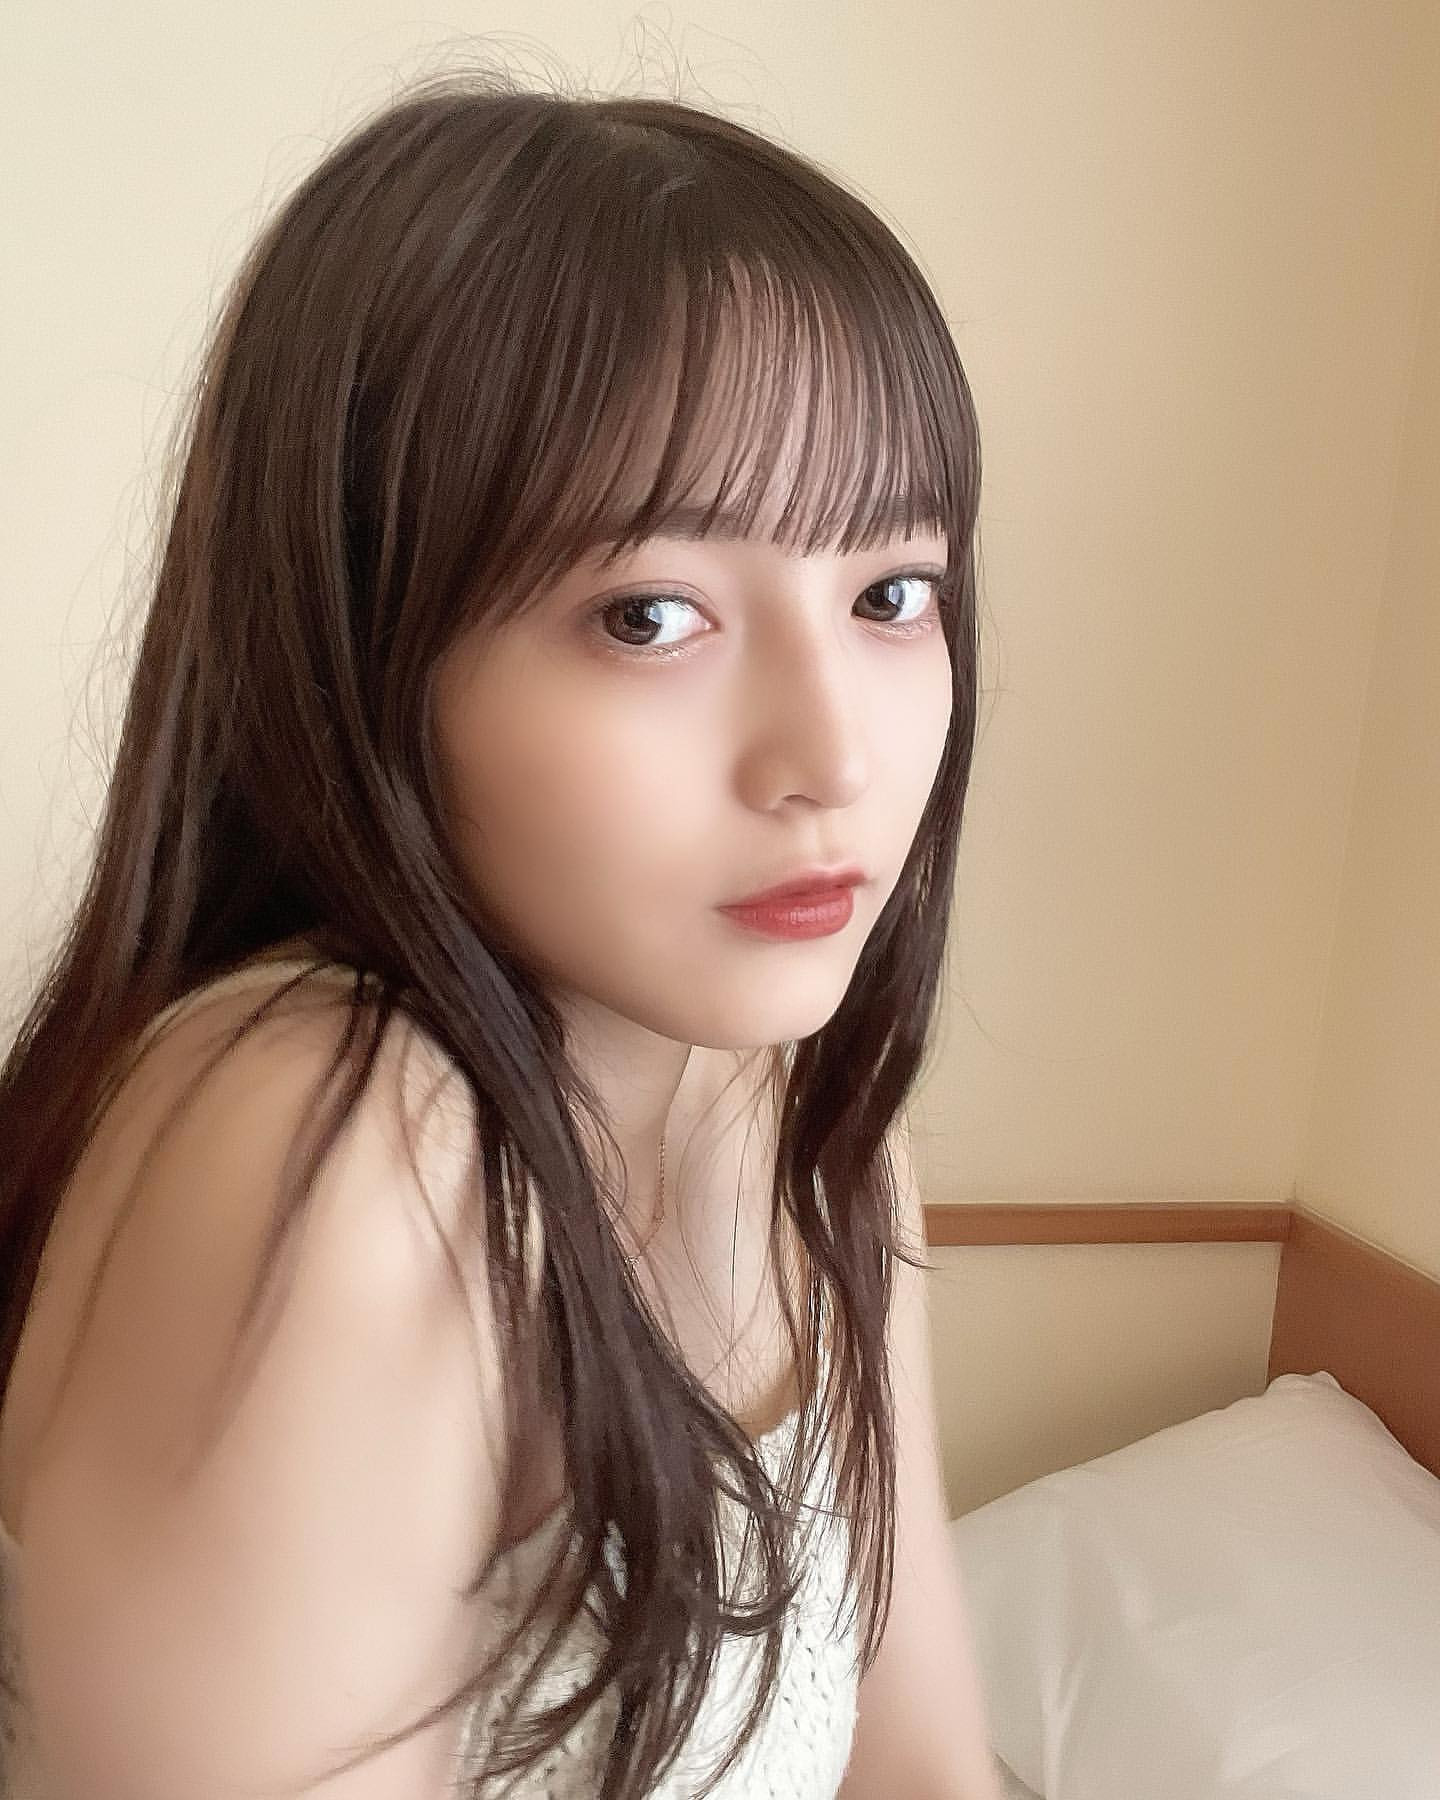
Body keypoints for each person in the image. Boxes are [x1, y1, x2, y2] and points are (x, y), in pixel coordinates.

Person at [0, 61, 1002, 1800]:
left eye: (891, 593)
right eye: (651, 615)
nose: (834, 759)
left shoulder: (818, 1133)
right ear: (367, 647)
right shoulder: (335, 1137)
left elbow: (920, 1768)